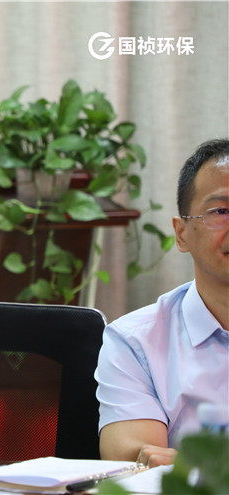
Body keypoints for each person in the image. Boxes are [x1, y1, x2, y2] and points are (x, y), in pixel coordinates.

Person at [95, 138, 229, 467]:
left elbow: (172, 467)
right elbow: (137, 463)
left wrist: (190, 466)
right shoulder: (136, 342)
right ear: (181, 233)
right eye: (221, 211)